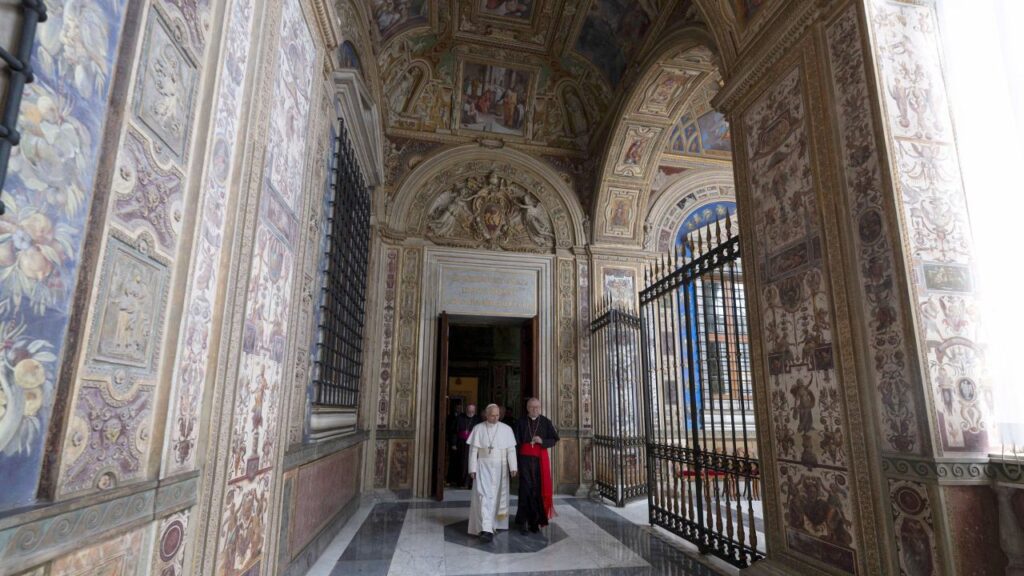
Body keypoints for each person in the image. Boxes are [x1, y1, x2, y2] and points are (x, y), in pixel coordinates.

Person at [467, 404, 518, 542]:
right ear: (486, 415)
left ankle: (495, 524)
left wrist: (513, 466)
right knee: (484, 496)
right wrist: (472, 469)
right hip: (483, 466)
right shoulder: (478, 428)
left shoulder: (506, 429)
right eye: (492, 415)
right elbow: (473, 451)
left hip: (501, 468)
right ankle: (486, 528)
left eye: (497, 415)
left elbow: (511, 450)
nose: (495, 418)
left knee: (496, 497)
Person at [515, 397, 559, 533]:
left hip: (540, 461)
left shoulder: (545, 422)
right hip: (524, 461)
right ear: (527, 408)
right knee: (525, 489)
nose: (535, 410)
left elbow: (554, 439)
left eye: (537, 407)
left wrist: (542, 441)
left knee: (537, 490)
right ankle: (523, 522)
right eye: (532, 407)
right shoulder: (520, 422)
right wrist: (515, 464)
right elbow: (515, 443)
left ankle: (535, 521)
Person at [456, 404, 482, 487]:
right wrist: (453, 443)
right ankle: (461, 482)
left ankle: (470, 483)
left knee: (472, 462)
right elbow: (455, 432)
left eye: (473, 411)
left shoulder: (477, 419)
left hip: (474, 444)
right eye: (469, 410)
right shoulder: (460, 418)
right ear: (466, 410)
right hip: (462, 444)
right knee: (462, 463)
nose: (471, 412)